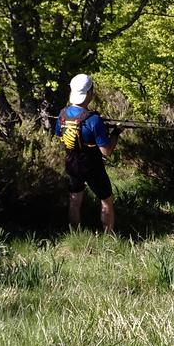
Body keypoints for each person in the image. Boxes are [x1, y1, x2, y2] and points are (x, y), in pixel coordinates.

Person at [55, 74, 120, 233]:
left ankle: (75, 234)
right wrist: (116, 132)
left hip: (72, 163)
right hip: (92, 166)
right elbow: (106, 151)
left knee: (75, 199)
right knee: (106, 200)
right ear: (90, 93)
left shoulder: (62, 114)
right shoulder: (94, 120)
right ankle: (108, 235)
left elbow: (59, 137)